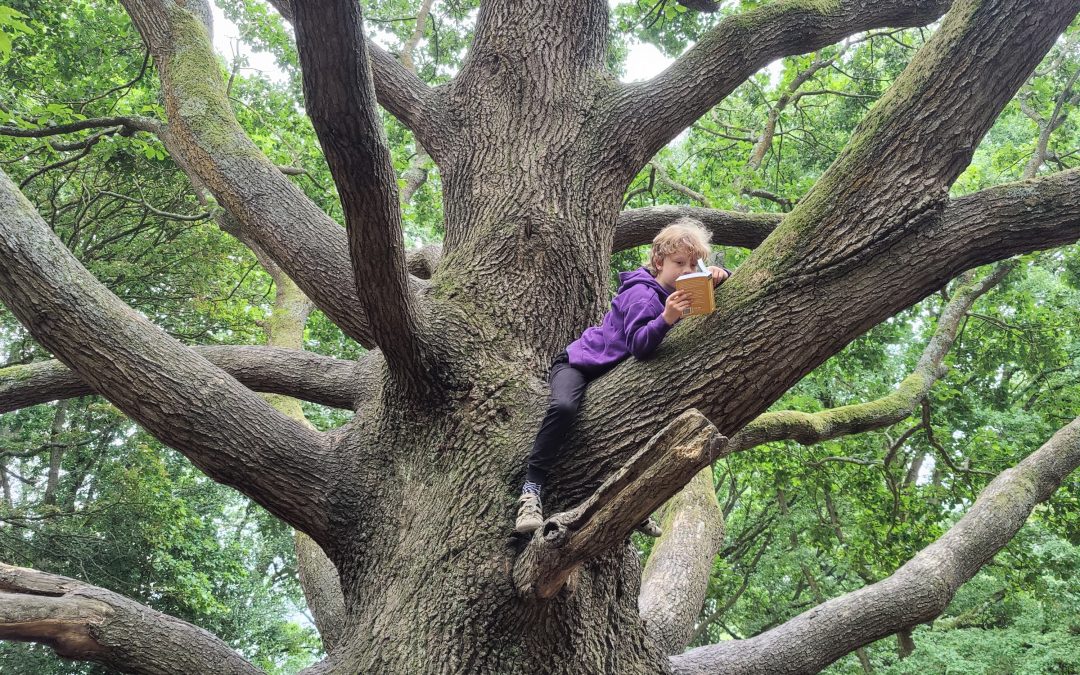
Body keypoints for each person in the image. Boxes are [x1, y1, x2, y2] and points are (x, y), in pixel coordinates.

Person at [515, 217, 730, 535]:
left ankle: (627, 500)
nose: (687, 270)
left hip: (614, 375)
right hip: (579, 365)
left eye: (693, 264)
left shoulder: (682, 293)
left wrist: (722, 274)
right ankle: (531, 489)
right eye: (679, 262)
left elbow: (722, 290)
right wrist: (667, 318)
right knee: (564, 408)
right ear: (659, 261)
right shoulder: (642, 295)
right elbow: (639, 345)